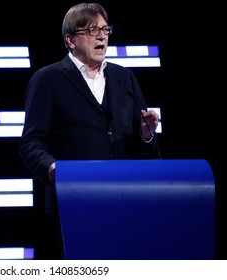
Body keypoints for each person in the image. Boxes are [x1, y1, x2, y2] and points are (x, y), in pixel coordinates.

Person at [19, 2, 160, 259]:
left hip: (126, 200)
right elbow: (31, 143)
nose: (101, 37)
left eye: (105, 30)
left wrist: (146, 134)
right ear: (70, 40)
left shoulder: (124, 77)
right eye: (92, 30)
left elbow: (145, 147)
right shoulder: (47, 79)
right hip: (74, 203)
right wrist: (53, 170)